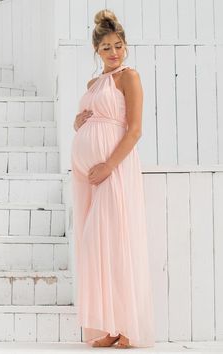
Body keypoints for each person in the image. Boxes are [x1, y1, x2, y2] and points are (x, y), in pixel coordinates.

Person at [71, 8, 155, 349]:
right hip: (87, 176)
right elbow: (93, 121)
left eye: (118, 45)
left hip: (114, 170)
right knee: (94, 248)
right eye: (106, 47)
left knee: (113, 243)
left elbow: (134, 131)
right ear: (96, 50)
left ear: (126, 46)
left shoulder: (128, 77)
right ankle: (107, 325)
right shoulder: (94, 83)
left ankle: (125, 326)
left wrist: (107, 166)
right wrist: (79, 123)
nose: (113, 52)